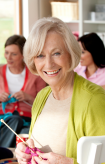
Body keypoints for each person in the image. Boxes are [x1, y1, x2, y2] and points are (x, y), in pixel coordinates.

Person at [15, 17, 105, 164]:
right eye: (40, 55)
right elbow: (34, 148)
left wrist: (70, 163)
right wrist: (24, 153)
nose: (49, 64)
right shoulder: (42, 96)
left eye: (56, 53)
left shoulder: (94, 100)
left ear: (71, 54)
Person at [0, 35, 46, 148]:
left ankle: (8, 157)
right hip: (1, 119)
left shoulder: (36, 74)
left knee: (26, 130)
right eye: (6, 52)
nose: (9, 57)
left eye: (14, 54)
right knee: (16, 120)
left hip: (27, 119)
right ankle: (1, 155)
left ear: (23, 55)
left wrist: (28, 97)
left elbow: (44, 105)